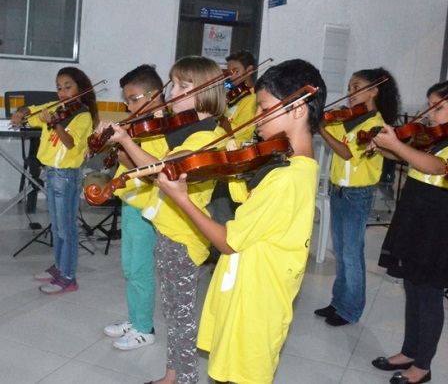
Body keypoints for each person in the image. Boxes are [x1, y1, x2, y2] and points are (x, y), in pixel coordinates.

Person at [155, 59, 327, 384]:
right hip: (248, 294)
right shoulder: (287, 166)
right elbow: (247, 202)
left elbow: (228, 241)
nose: (257, 116)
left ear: (298, 109)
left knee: (241, 375)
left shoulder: (286, 179)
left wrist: (182, 199)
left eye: (264, 107)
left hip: (255, 306)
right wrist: (232, 167)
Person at [103, 56, 227, 384]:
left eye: (184, 85)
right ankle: (172, 374)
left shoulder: (204, 138)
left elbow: (160, 172)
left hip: (184, 238)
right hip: (169, 230)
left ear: (207, 91)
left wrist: (127, 140)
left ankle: (184, 379)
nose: (174, 92)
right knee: (173, 314)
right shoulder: (186, 130)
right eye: (174, 83)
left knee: (182, 318)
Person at [369, 79, 448, 384]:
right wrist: (384, 148)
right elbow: (410, 159)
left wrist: (396, 146)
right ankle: (409, 351)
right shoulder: (437, 136)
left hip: (438, 219)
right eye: (430, 105)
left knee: (429, 293)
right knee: (412, 286)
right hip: (415, 211)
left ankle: (423, 365)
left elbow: (436, 167)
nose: (430, 113)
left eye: (438, 106)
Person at [314, 67, 400, 326]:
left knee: (352, 255)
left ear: (374, 91)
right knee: (341, 252)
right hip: (338, 190)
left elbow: (346, 153)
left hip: (357, 194)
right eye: (350, 88)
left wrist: (322, 129)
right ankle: (338, 302)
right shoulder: (347, 119)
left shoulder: (375, 125)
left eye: (357, 87)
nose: (350, 93)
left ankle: (350, 310)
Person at [11, 67, 98, 294]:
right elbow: (31, 110)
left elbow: (70, 143)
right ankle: (59, 267)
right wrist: (22, 112)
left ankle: (68, 277)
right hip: (52, 172)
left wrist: (55, 124)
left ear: (80, 87)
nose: (62, 92)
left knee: (66, 228)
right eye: (59, 87)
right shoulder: (57, 108)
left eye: (68, 86)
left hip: (66, 175)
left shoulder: (83, 115)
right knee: (57, 226)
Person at [100, 64, 166, 350]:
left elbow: (152, 168)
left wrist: (122, 148)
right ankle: (134, 317)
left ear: (156, 94)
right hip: (130, 201)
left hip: (146, 206)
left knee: (140, 269)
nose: (129, 105)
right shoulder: (138, 123)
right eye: (126, 99)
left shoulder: (164, 126)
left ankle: (144, 328)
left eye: (134, 98)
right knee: (129, 267)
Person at [208, 50, 258, 228]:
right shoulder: (233, 97)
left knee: (225, 217)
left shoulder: (252, 100)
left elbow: (238, 134)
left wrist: (220, 115)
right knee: (213, 212)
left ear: (249, 70)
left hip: (234, 159)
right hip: (219, 159)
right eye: (228, 72)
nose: (231, 76)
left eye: (236, 71)